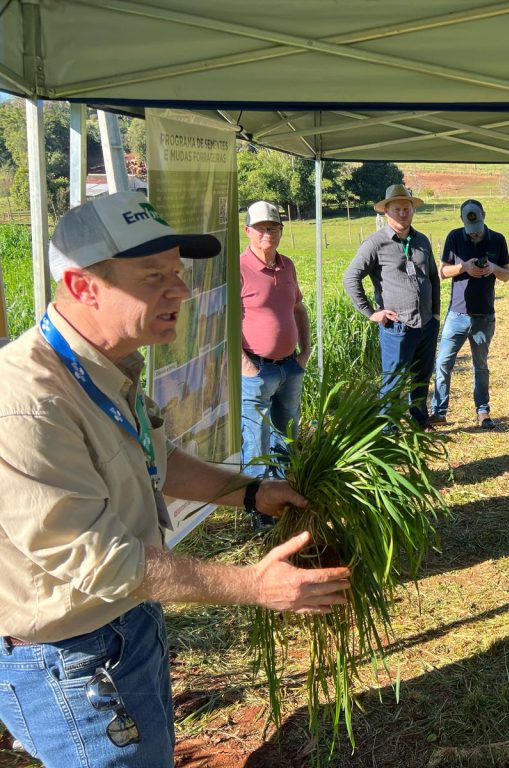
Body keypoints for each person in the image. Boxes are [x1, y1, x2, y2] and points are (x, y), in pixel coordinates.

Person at [0, 192, 351, 767]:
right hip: (70, 658)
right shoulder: (27, 403)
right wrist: (254, 586)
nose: (181, 292)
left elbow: (153, 457)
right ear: (84, 287)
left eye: (178, 273)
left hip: (128, 622)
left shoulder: (106, 364)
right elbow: (100, 562)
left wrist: (249, 492)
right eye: (154, 277)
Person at [344, 184, 440, 428]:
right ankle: (389, 431)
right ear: (386, 211)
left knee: (422, 378)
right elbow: (351, 278)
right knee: (393, 383)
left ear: (412, 210)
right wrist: (370, 313)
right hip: (397, 326)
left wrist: (436, 314)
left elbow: (433, 277)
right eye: (397, 209)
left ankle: (420, 424)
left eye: (407, 208)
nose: (403, 213)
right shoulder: (375, 244)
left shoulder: (422, 241)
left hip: (426, 324)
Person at [239, 201, 310, 527]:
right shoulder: (239, 268)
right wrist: (245, 364)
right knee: (257, 439)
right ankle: (259, 509)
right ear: (248, 231)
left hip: (289, 367)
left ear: (281, 231)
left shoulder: (287, 265)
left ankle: (283, 496)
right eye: (261, 228)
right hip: (257, 369)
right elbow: (224, 320)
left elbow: (298, 309)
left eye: (274, 227)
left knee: (287, 435)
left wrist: (305, 351)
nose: (268, 233)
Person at [429, 199, 509, 429]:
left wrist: (493, 268)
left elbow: (506, 275)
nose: (474, 234)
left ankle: (482, 411)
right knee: (443, 362)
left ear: (484, 215)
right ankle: (439, 412)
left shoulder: (498, 239)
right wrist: (464, 267)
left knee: (480, 365)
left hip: (484, 316)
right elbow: (442, 272)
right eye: (470, 230)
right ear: (462, 221)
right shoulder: (454, 237)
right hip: (456, 314)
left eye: (477, 230)